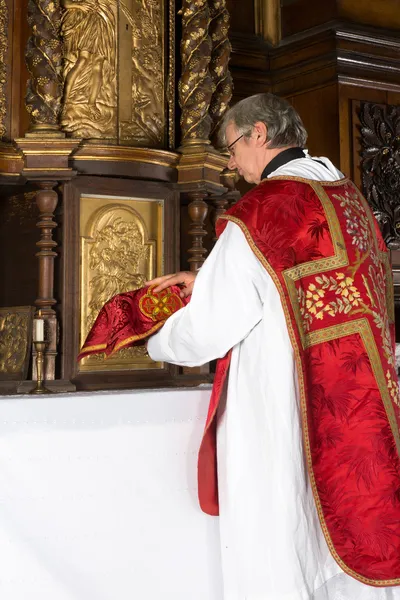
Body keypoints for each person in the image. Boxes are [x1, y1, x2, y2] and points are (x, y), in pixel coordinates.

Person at [146, 93, 400, 600]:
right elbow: (308, 284)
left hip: (286, 406)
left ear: (259, 133)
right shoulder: (349, 198)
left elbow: (211, 327)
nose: (232, 163)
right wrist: (209, 277)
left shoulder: (262, 210)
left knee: (281, 536)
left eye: (233, 147)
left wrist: (155, 332)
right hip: (362, 401)